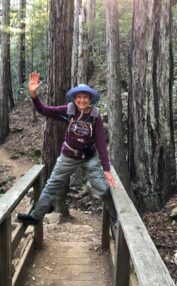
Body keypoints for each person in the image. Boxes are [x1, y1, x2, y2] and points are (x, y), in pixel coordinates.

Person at [16, 71, 117, 226]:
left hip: (89, 157)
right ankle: (36, 217)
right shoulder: (69, 110)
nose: (82, 100)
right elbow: (44, 110)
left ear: (90, 99)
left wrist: (106, 169)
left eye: (85, 97)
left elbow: (101, 143)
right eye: (79, 97)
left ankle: (116, 218)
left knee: (103, 189)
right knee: (52, 185)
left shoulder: (95, 116)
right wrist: (33, 95)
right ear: (75, 99)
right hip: (68, 156)